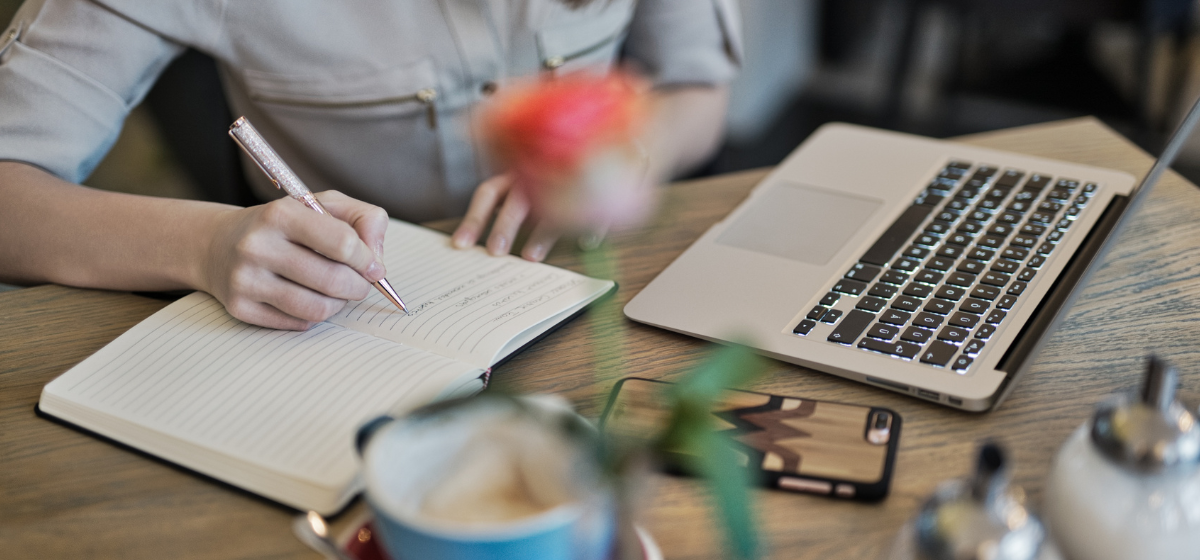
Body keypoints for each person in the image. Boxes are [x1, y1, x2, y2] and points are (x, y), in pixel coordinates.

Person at [0, 0, 742, 330]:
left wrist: (631, 156)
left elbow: (699, 90)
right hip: (340, 326)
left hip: (594, 295)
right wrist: (205, 244)